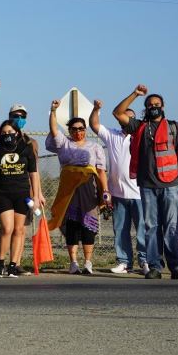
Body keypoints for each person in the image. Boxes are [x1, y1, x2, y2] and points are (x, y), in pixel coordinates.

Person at [113, 85, 178, 280]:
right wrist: (135, 94)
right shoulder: (139, 126)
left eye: (157, 104)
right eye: (149, 105)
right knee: (151, 227)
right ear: (145, 108)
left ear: (163, 106)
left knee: (172, 226)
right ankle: (155, 266)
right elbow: (117, 112)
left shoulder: (175, 127)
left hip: (171, 185)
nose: (153, 107)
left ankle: (176, 267)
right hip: (148, 186)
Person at [47, 100, 110, 275]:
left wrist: (105, 191)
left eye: (81, 128)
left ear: (85, 130)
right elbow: (54, 130)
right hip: (68, 189)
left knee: (88, 225)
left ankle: (88, 262)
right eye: (74, 129)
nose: (78, 132)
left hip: (88, 188)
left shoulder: (95, 147)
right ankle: (73, 262)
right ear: (70, 131)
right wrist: (53, 111)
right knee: (72, 224)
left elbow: (101, 171)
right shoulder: (63, 143)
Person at [90, 99, 147, 275]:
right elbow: (94, 124)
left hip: (140, 193)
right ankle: (124, 262)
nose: (127, 121)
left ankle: (145, 261)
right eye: (124, 118)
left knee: (142, 230)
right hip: (118, 193)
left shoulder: (142, 137)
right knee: (120, 229)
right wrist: (96, 109)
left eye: (131, 119)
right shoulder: (112, 135)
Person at [0, 116, 40, 277]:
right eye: (4, 132)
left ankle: (13, 264)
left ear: (17, 132)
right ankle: (0, 263)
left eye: (11, 131)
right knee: (7, 228)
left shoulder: (26, 148)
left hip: (22, 194)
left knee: (19, 229)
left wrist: (35, 196)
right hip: (3, 194)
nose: (7, 134)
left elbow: (33, 174)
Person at [0, 79, 45, 209]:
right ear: (9, 117)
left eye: (23, 116)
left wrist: (38, 193)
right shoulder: (3, 136)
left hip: (24, 189)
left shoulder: (30, 142)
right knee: (7, 227)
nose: (19, 118)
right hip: (4, 190)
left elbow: (35, 170)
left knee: (20, 228)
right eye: (16, 115)